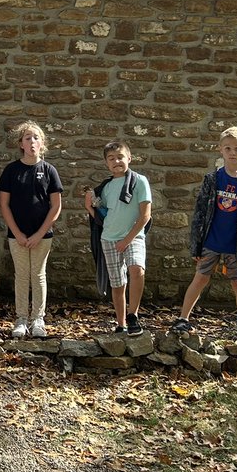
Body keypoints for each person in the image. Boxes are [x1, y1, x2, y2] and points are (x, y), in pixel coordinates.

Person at [172, 126, 237, 346]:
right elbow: (200, 213)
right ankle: (183, 319)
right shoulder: (212, 179)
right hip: (211, 241)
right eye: (228, 148)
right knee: (200, 278)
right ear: (220, 150)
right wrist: (196, 245)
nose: (232, 153)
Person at [0, 121, 63, 339]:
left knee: (38, 274)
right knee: (22, 275)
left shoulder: (49, 170)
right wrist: (17, 233)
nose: (32, 141)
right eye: (27, 138)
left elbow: (56, 206)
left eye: (36, 137)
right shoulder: (11, 171)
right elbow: (4, 204)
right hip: (17, 236)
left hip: (42, 236)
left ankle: (38, 319)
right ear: (21, 144)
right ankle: (21, 319)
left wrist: (39, 233)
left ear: (42, 143)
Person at [84, 142, 152, 336]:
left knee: (137, 270)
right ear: (106, 163)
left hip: (133, 236)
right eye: (111, 159)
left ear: (129, 158)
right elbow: (102, 214)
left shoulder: (140, 181)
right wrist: (89, 206)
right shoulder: (105, 187)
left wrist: (127, 240)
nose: (117, 161)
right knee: (117, 283)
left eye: (120, 157)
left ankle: (133, 315)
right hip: (108, 239)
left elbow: (145, 215)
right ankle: (122, 324)